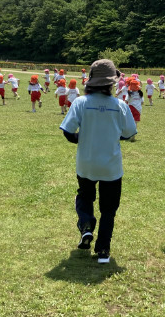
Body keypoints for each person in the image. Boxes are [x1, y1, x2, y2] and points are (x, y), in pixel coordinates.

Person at [59, 59, 137, 264]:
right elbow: (129, 133)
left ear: (91, 81)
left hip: (86, 163)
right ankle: (103, 251)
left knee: (84, 197)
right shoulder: (120, 105)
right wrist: (111, 136)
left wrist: (83, 138)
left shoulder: (81, 103)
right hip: (111, 166)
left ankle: (86, 226)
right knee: (108, 209)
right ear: (112, 83)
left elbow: (68, 132)